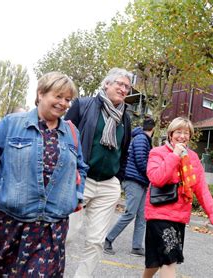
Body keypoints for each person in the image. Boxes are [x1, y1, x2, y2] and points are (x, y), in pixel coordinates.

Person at [0, 72, 88, 276]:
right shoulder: (11, 124)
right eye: (58, 96)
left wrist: (75, 196)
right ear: (41, 93)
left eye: (68, 99)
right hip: (10, 220)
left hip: (51, 226)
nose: (63, 103)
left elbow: (81, 168)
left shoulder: (72, 133)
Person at [64, 67, 132, 277]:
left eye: (127, 87)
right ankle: (52, 271)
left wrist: (118, 179)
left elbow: (124, 150)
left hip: (108, 184)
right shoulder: (83, 106)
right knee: (68, 234)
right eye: (119, 84)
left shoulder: (126, 118)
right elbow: (63, 137)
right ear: (106, 84)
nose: (123, 89)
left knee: (95, 241)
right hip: (79, 179)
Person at [143, 117, 213, 278]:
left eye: (186, 133)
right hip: (159, 214)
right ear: (171, 134)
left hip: (179, 216)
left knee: (156, 261)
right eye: (179, 132)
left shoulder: (193, 158)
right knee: (169, 260)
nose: (182, 136)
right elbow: (157, 178)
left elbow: (201, 188)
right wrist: (175, 155)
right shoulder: (157, 152)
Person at [104, 117, 155, 256]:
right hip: (134, 180)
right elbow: (140, 161)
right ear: (153, 129)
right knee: (130, 213)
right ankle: (107, 239)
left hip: (141, 181)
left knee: (142, 216)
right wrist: (153, 175)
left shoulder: (142, 139)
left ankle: (137, 247)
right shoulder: (141, 139)